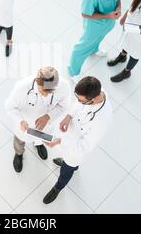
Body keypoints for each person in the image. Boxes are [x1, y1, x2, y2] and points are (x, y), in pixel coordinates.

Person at [43, 76, 112, 204]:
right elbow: (78, 104)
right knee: (67, 158)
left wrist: (59, 142)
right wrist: (69, 116)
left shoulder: (102, 121)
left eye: (81, 100)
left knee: (67, 167)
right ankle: (70, 165)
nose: (78, 102)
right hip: (70, 134)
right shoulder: (96, 90)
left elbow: (85, 146)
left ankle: (59, 187)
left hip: (76, 148)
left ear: (94, 99)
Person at [68, 0, 126, 82]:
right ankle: (73, 71)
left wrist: (119, 6)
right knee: (81, 47)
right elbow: (85, 13)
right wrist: (108, 15)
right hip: (94, 25)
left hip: (108, 22)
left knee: (99, 37)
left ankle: (94, 49)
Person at [5, 67, 71, 173]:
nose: (46, 95)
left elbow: (63, 106)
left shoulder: (64, 86)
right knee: (20, 140)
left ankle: (38, 145)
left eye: (50, 92)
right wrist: (20, 121)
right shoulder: (22, 87)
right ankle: (19, 154)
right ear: (37, 81)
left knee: (40, 138)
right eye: (43, 91)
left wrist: (48, 116)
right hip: (25, 124)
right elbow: (9, 107)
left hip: (45, 126)